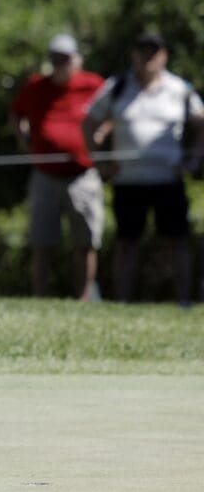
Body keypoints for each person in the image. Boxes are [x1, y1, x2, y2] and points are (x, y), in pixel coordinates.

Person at [83, 33, 204, 305]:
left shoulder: (179, 89)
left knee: (177, 242)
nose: (148, 57)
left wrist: (194, 160)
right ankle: (123, 301)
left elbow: (200, 123)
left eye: (154, 52)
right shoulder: (117, 87)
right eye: (143, 51)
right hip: (128, 180)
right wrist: (99, 162)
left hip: (168, 180)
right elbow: (89, 122)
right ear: (134, 55)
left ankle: (183, 301)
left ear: (164, 56)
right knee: (127, 242)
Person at [10, 34, 105, 301]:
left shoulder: (93, 84)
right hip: (44, 174)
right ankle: (40, 297)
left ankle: (83, 298)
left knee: (85, 243)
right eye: (54, 59)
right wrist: (25, 140)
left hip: (82, 174)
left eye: (64, 59)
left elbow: (113, 113)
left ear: (77, 59)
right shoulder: (35, 86)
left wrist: (100, 135)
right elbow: (16, 114)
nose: (59, 64)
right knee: (42, 242)